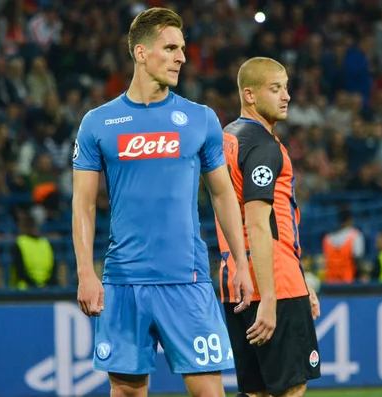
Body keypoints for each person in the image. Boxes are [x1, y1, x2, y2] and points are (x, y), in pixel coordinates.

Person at [71, 8, 253, 397]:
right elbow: (83, 205)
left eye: (182, 49)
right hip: (123, 282)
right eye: (170, 48)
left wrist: (239, 259)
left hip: (187, 280)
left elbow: (222, 193)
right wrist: (86, 272)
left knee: (208, 391)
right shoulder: (98, 123)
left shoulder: (200, 119)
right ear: (140, 53)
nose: (182, 58)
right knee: (127, 392)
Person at [216, 57, 321, 397]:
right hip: (272, 281)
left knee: (255, 389)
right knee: (291, 386)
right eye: (275, 89)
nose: (286, 96)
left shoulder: (226, 138)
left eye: (286, 88)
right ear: (249, 95)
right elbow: (260, 225)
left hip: (235, 282)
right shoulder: (263, 146)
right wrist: (272, 298)